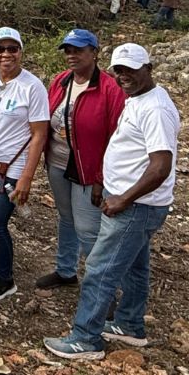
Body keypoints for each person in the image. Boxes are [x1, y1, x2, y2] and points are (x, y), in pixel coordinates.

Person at [43, 43, 179, 360]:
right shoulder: (138, 98)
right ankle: (130, 325)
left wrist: (123, 198)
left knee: (99, 271)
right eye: (119, 70)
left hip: (136, 206)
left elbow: (161, 166)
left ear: (149, 67)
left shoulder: (155, 109)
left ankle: (85, 339)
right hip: (135, 203)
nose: (123, 76)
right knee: (134, 268)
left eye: (131, 69)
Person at [36, 29, 124, 291]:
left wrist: (100, 178)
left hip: (89, 169)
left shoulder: (110, 89)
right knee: (66, 217)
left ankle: (102, 287)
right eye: (68, 50)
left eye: (78, 50)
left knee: (88, 228)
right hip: (58, 162)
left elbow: (114, 138)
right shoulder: (62, 81)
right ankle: (65, 270)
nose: (72, 55)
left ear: (94, 53)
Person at [0, 27, 49, 301]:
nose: (6, 54)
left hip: (13, 167)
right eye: (0, 49)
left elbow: (39, 134)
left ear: (21, 52)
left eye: (12, 49)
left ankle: (5, 278)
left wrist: (27, 177)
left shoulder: (32, 86)